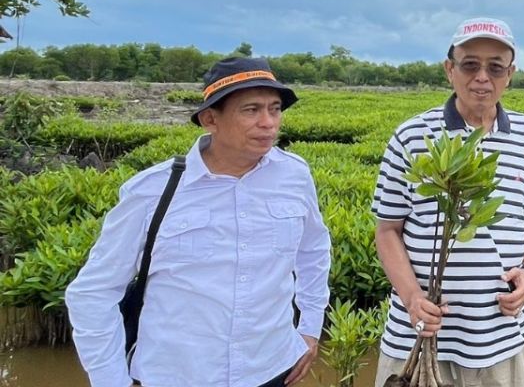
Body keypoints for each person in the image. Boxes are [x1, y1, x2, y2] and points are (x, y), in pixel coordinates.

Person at [66, 57, 331, 387]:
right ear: (210, 119)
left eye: (275, 109)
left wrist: (309, 327)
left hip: (272, 369)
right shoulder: (152, 190)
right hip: (176, 377)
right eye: (251, 110)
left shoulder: (295, 174)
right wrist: (111, 381)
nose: (268, 123)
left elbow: (314, 251)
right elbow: (93, 292)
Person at [372, 18, 524, 387]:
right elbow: (387, 230)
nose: (482, 77)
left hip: (501, 337)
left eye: (495, 67)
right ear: (450, 70)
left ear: (510, 74)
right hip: (420, 337)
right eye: (470, 64)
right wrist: (413, 299)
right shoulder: (412, 137)